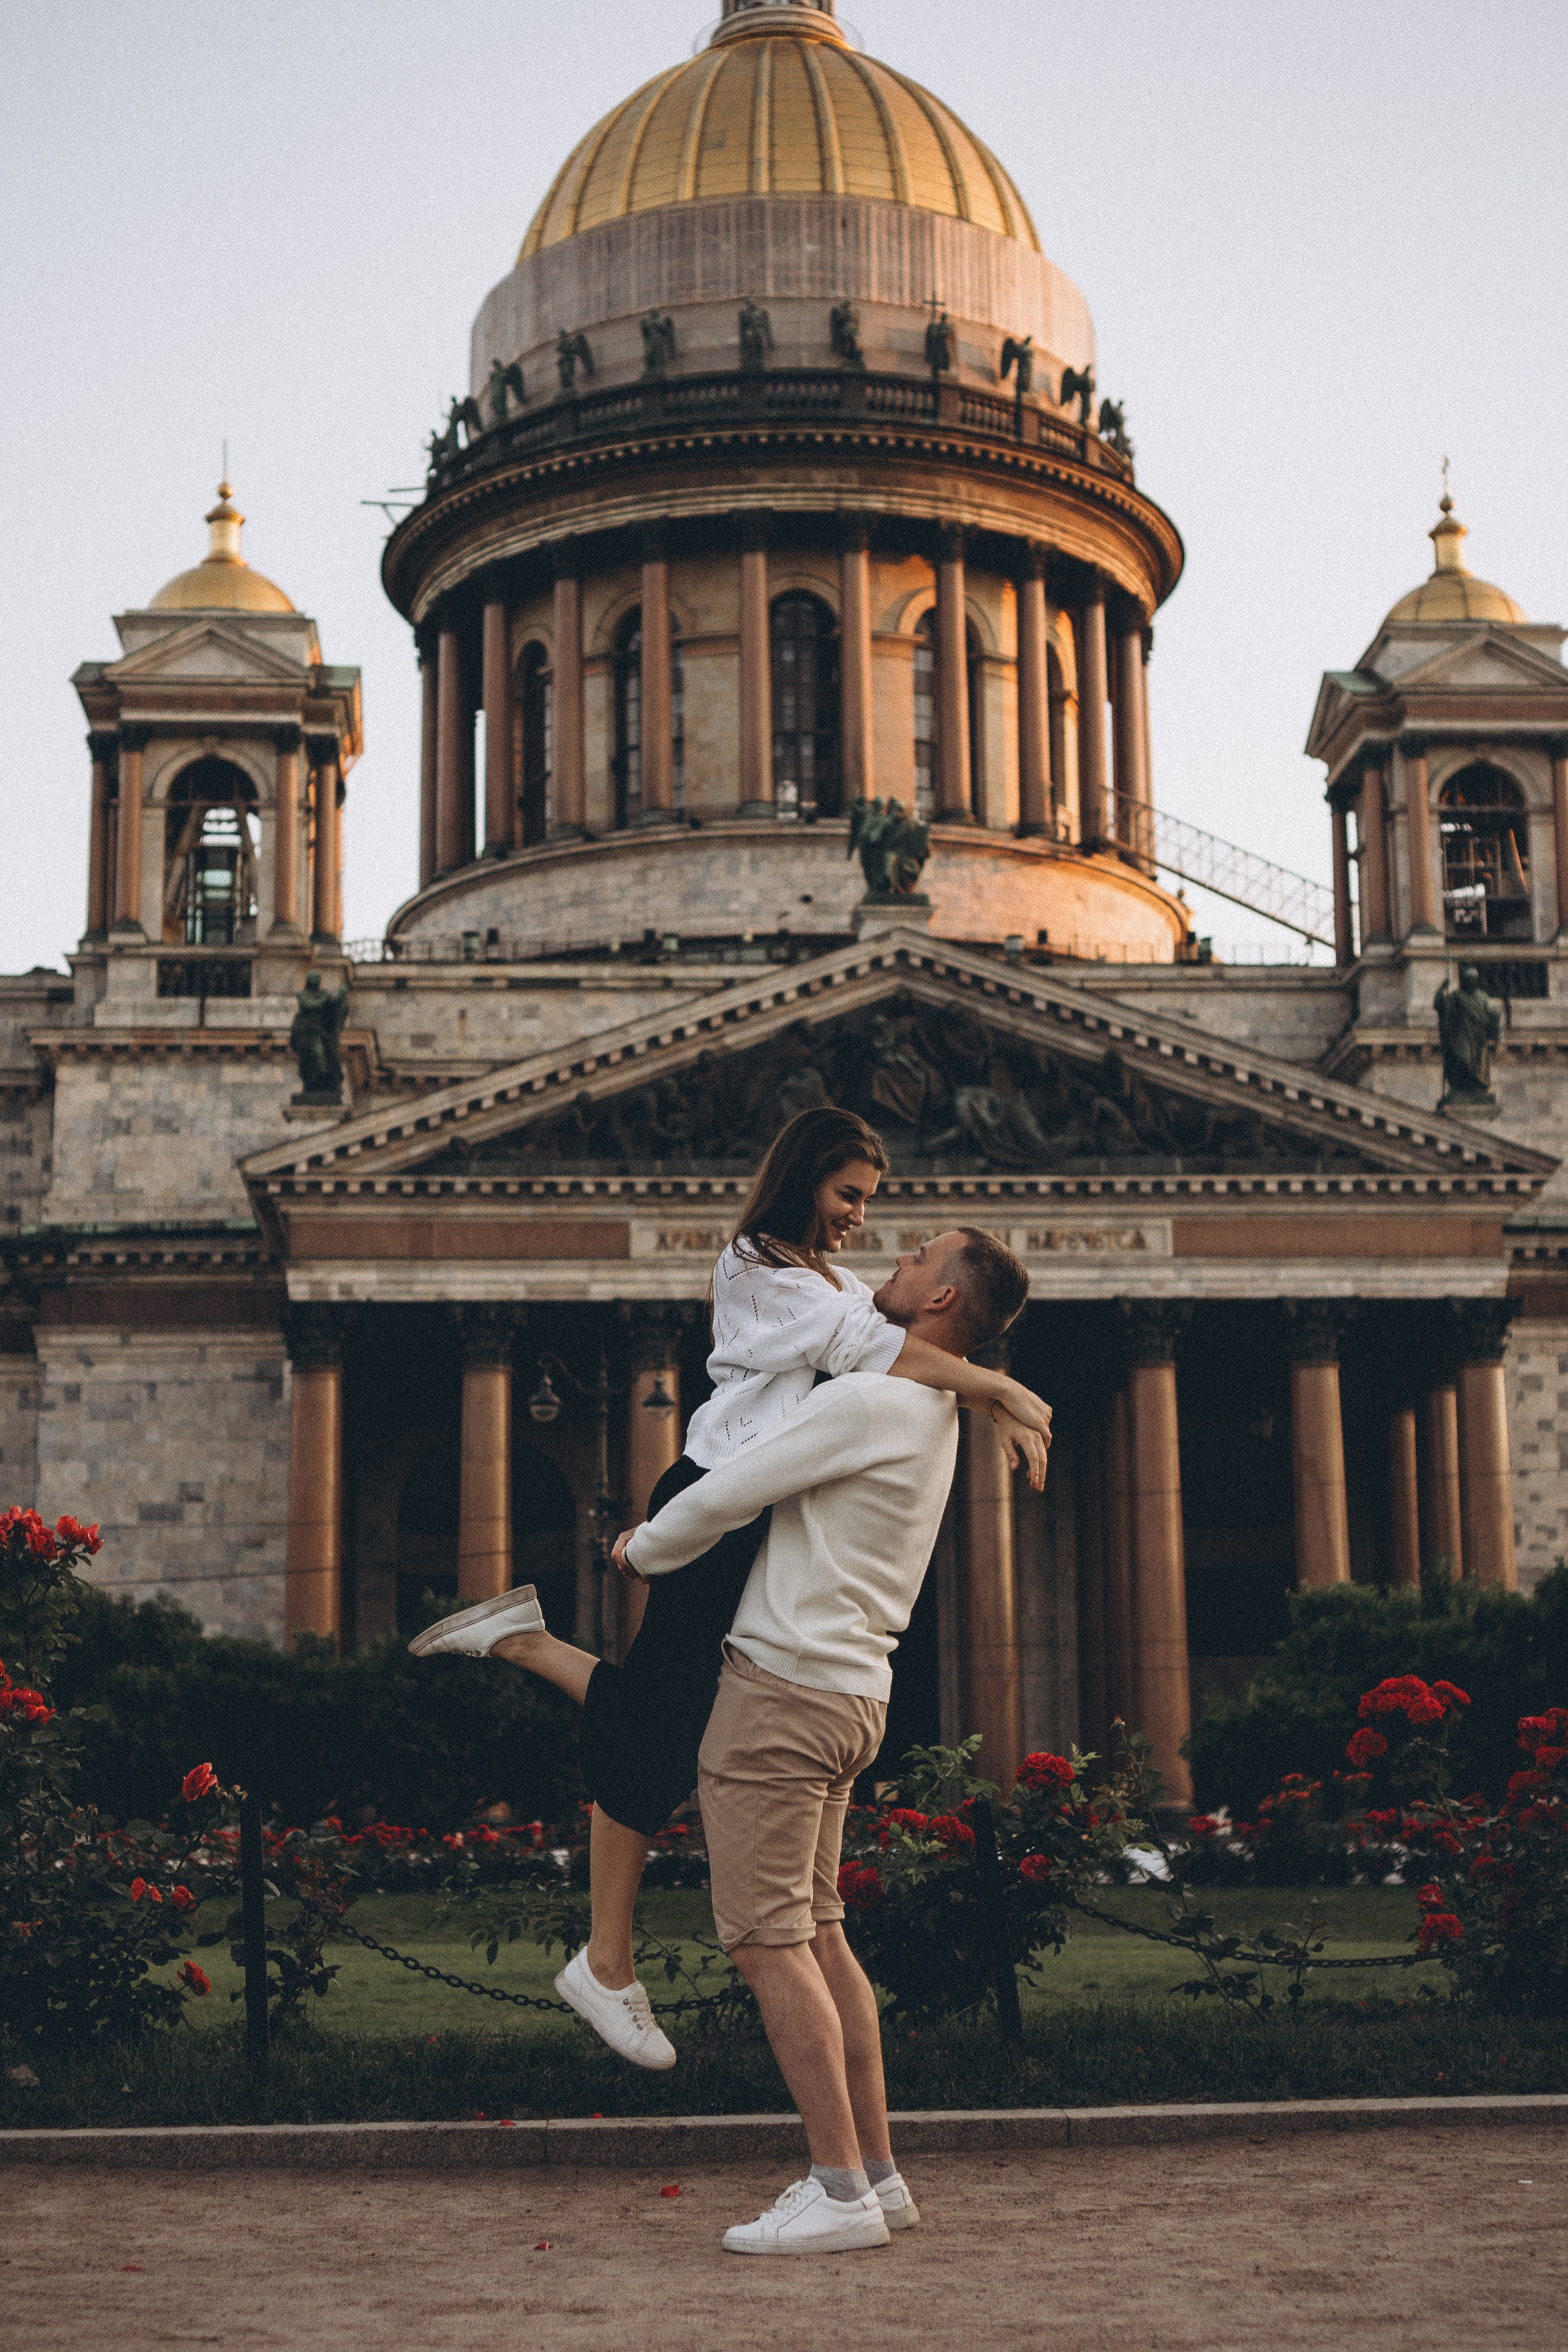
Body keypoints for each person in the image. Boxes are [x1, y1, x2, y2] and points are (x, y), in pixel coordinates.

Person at [407, 1107, 1051, 2068]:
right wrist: (997, 1388)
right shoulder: (756, 1263)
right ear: (804, 1178)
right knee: (662, 1733)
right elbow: (870, 1351)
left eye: (870, 1204)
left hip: (740, 1513)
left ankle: (524, 1643)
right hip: (713, 1497)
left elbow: (891, 1346)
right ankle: (605, 1963)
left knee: (670, 1717)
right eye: (848, 1195)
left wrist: (981, 1390)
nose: (862, 1220)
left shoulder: (833, 1282)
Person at [614, 1224, 1032, 2253]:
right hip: (851, 1695)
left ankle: (839, 2188)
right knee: (820, 1931)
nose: (891, 1265)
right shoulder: (935, 1409)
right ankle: (878, 2175)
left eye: (913, 1261)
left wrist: (640, 1551)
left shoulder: (870, 1400)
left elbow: (726, 1490)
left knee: (766, 1941)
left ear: (942, 1300)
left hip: (781, 1696)